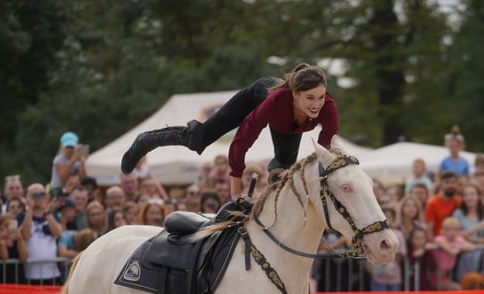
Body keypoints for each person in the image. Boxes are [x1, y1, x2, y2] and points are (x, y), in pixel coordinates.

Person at [122, 63, 337, 200]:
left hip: (288, 124)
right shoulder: (275, 102)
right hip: (256, 96)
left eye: (321, 97)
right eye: (310, 98)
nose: (316, 104)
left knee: (283, 167)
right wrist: (235, 192)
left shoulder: (328, 109)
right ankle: (145, 141)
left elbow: (324, 154)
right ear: (295, 95)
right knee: (199, 139)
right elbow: (242, 140)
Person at [20, 183, 63, 287]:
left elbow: (58, 233)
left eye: (41, 194)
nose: (37, 197)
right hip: (31, 275)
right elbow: (25, 235)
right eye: (33, 195)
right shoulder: (22, 215)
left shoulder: (52, 215)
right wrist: (30, 208)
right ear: (27, 197)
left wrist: (47, 211)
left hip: (52, 273)